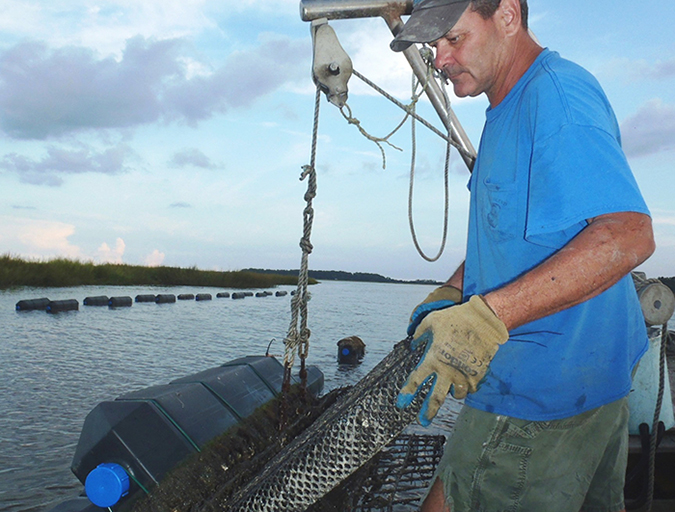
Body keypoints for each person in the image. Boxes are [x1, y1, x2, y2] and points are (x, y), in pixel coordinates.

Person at [390, 0, 655, 511]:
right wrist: (454, 290)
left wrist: (488, 317)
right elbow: (511, 236)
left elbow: (627, 235)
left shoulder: (555, 98)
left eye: (453, 39)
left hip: (538, 402)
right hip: (577, 392)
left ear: (507, 16)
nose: (440, 61)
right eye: (433, 46)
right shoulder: (505, 107)